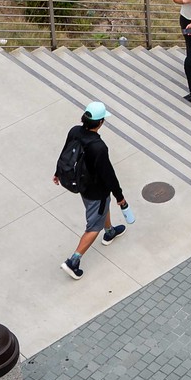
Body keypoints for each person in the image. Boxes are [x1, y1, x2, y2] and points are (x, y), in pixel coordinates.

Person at [55, 102, 129, 281]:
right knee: (93, 227)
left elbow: (66, 152)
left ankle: (109, 231)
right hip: (96, 191)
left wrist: (58, 173)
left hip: (81, 185)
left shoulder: (74, 131)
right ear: (101, 122)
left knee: (102, 210)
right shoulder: (98, 147)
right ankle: (73, 261)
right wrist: (120, 196)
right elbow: (108, 174)